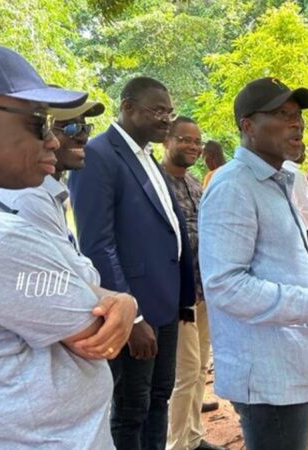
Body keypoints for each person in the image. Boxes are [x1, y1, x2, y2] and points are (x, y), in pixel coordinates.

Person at [198, 77, 308, 450]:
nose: (297, 124)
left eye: (298, 115)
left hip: (281, 364)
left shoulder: (274, 180)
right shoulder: (234, 185)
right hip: (265, 375)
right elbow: (225, 285)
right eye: (282, 115)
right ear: (248, 126)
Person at [0, 42, 136, 450]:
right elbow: (98, 329)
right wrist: (121, 302)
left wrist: (112, 297)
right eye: (36, 123)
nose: (51, 141)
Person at [69, 76, 196, 450]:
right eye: (157, 111)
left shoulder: (147, 157)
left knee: (159, 397)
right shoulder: (99, 156)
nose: (166, 120)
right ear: (126, 107)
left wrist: (182, 299)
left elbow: (168, 230)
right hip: (134, 311)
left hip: (167, 306)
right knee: (131, 409)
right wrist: (133, 317)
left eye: (169, 112)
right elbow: (97, 244)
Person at [161, 117, 226, 450]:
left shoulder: (196, 182)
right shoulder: (155, 184)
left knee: (200, 367)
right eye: (184, 139)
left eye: (197, 141)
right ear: (166, 141)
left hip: (204, 291)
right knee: (184, 373)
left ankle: (193, 436)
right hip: (177, 296)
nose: (192, 146)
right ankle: (176, 444)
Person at [0, 93, 104, 284]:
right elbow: (79, 279)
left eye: (85, 127)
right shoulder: (28, 198)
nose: (84, 138)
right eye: (71, 128)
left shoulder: (51, 191)